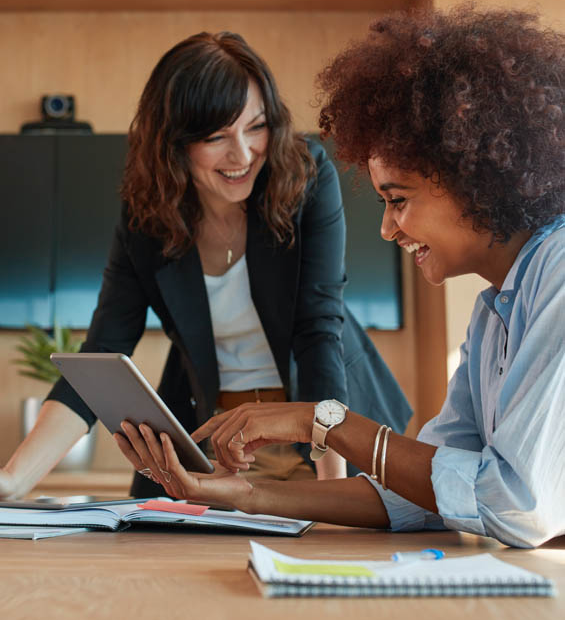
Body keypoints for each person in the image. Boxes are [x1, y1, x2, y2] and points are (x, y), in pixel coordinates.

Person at [114, 6, 565, 548]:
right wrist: (242, 496)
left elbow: (514, 503)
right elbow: (427, 495)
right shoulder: (494, 312)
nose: (386, 228)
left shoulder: (557, 273)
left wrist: (322, 421)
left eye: (397, 200)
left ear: (477, 179)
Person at [0, 32, 411, 500]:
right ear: (174, 144)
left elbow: (318, 329)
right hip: (216, 439)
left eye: (256, 126)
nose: (242, 155)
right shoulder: (147, 217)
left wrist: (334, 489)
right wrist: (11, 481)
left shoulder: (306, 177)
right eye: (216, 137)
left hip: (322, 432)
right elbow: (102, 354)